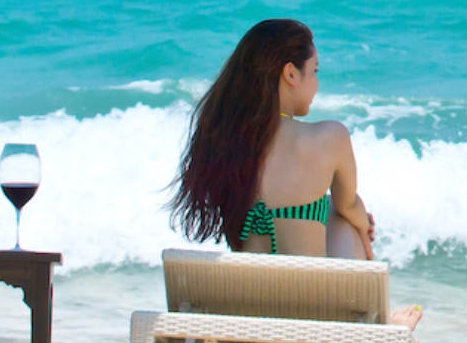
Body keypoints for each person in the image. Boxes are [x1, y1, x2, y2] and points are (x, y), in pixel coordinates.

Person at [173, 17, 420, 327]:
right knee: (338, 210)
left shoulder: (224, 144)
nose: (316, 84)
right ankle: (383, 326)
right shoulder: (328, 137)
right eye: (314, 72)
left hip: (245, 320)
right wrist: (363, 223)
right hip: (319, 320)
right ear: (291, 73)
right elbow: (348, 206)